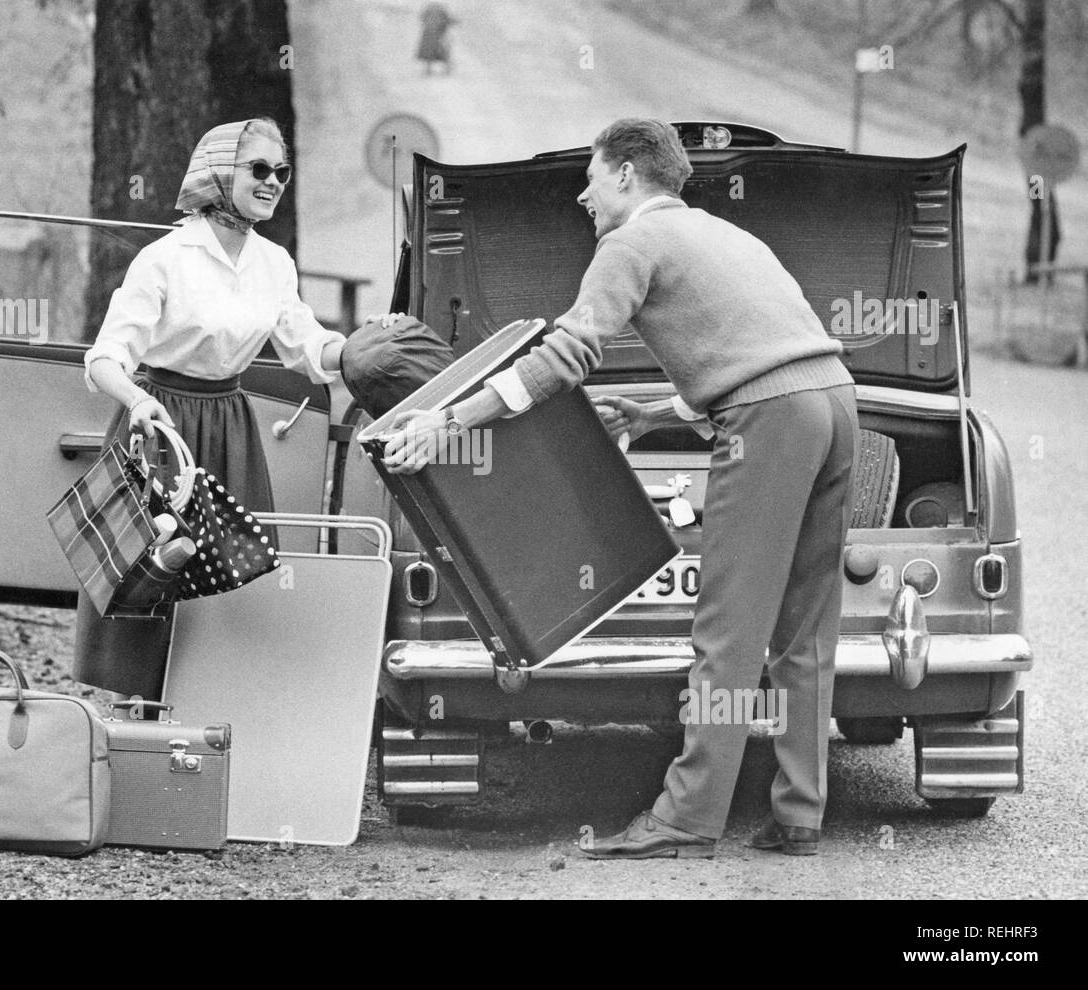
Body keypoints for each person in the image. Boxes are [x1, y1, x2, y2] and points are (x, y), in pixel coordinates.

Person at [382, 118, 859, 859]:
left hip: (771, 420)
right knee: (806, 630)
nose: (583, 196)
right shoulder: (725, 234)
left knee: (727, 635)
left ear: (630, 175)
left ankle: (686, 821)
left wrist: (454, 419)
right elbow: (766, 350)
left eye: (593, 177)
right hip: (835, 405)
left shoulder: (631, 242)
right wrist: (659, 411)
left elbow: (568, 352)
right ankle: (800, 812)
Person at [74, 117, 352, 701]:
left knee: (230, 569)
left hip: (228, 424)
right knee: (153, 568)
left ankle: (215, 706)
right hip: (159, 424)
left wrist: (363, 351)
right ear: (218, 171)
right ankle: (138, 712)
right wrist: (139, 401)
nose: (273, 181)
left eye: (282, 171)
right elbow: (105, 358)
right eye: (258, 169)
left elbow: (306, 344)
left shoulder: (275, 263)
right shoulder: (165, 258)